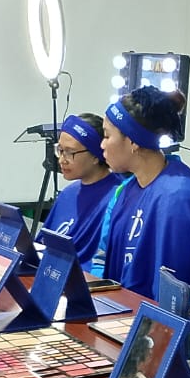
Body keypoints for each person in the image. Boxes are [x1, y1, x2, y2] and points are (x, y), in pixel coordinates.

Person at [94, 86, 190, 299]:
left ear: (133, 141)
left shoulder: (179, 199)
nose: (101, 145)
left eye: (107, 136)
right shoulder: (127, 189)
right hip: (123, 308)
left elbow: (180, 292)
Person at [39, 113, 123, 268]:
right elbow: (42, 244)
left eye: (70, 153)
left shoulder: (117, 197)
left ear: (96, 156)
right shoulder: (68, 194)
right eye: (60, 150)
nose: (62, 160)